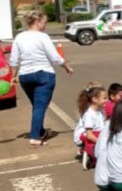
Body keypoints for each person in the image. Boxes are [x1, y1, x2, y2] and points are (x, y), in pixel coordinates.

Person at [9, 9, 74, 147]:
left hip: (25, 76)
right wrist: (67, 67)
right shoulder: (43, 37)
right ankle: (35, 137)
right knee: (40, 106)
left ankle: (41, 131)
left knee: (37, 105)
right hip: (44, 74)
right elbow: (55, 57)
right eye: (44, 22)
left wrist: (13, 76)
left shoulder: (19, 37)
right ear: (38, 22)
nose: (45, 25)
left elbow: (13, 60)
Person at [74, 84, 108, 168]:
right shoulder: (89, 114)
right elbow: (89, 135)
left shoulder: (101, 111)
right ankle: (88, 151)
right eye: (104, 98)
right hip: (86, 137)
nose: (107, 100)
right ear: (95, 99)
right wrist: (103, 143)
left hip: (96, 135)